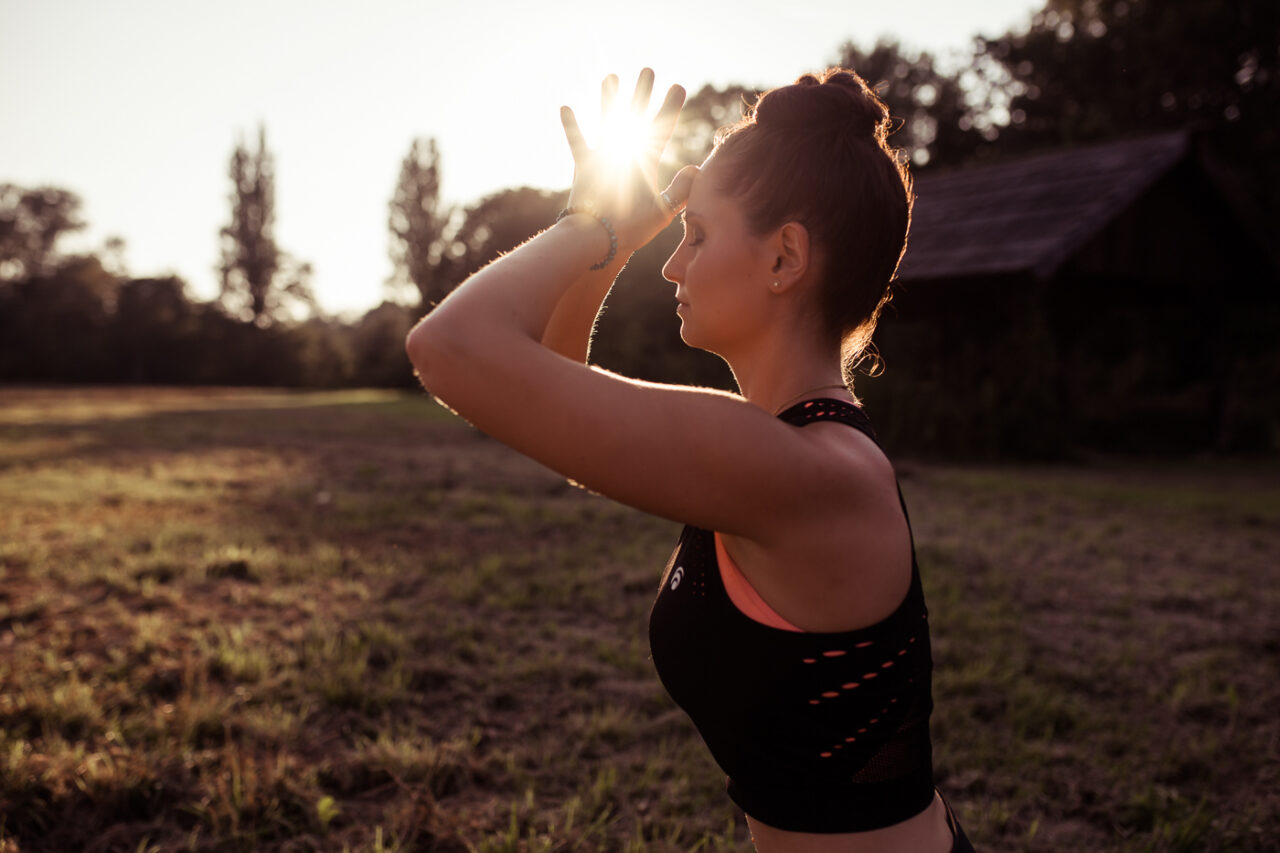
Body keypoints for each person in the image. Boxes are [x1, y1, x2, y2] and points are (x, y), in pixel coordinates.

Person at [406, 66, 974, 853]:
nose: (671, 264)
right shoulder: (775, 447)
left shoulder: (801, 470)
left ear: (784, 259)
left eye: (696, 234)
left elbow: (448, 348)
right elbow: (561, 385)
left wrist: (590, 228)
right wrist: (614, 235)